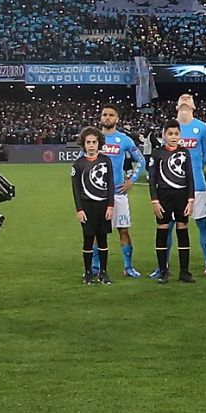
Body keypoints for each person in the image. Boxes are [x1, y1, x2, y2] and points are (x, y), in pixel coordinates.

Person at [174, 93, 206, 277]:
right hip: (174, 185)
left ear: (194, 106)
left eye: (188, 98)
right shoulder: (170, 127)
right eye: (182, 97)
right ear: (177, 105)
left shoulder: (201, 127)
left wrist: (194, 171)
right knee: (169, 225)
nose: (185, 99)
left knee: (202, 223)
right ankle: (163, 266)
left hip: (197, 185)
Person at [97, 105, 147, 277]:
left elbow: (141, 161)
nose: (107, 117)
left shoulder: (124, 140)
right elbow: (81, 164)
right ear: (100, 118)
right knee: (98, 232)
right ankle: (96, 268)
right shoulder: (93, 139)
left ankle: (128, 267)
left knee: (123, 229)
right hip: (99, 194)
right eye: (105, 115)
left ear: (117, 119)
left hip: (119, 194)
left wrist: (131, 181)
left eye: (111, 115)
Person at [147, 121, 197, 283]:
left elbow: (190, 176)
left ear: (180, 135)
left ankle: (184, 271)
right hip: (163, 196)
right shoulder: (157, 153)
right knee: (162, 229)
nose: (173, 137)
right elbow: (152, 178)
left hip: (182, 196)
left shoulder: (184, 152)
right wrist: (154, 200)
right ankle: (163, 271)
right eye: (170, 134)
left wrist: (190, 200)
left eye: (176, 134)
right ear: (164, 135)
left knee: (183, 230)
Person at [71, 125, 116, 284]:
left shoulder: (106, 160)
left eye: (94, 142)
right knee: (88, 239)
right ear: (83, 144)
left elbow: (110, 184)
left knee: (103, 239)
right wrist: (79, 209)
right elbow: (76, 189)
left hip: (103, 206)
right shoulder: (78, 164)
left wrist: (111, 205)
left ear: (99, 143)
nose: (91, 145)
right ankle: (88, 272)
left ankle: (103, 272)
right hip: (87, 206)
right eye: (88, 142)